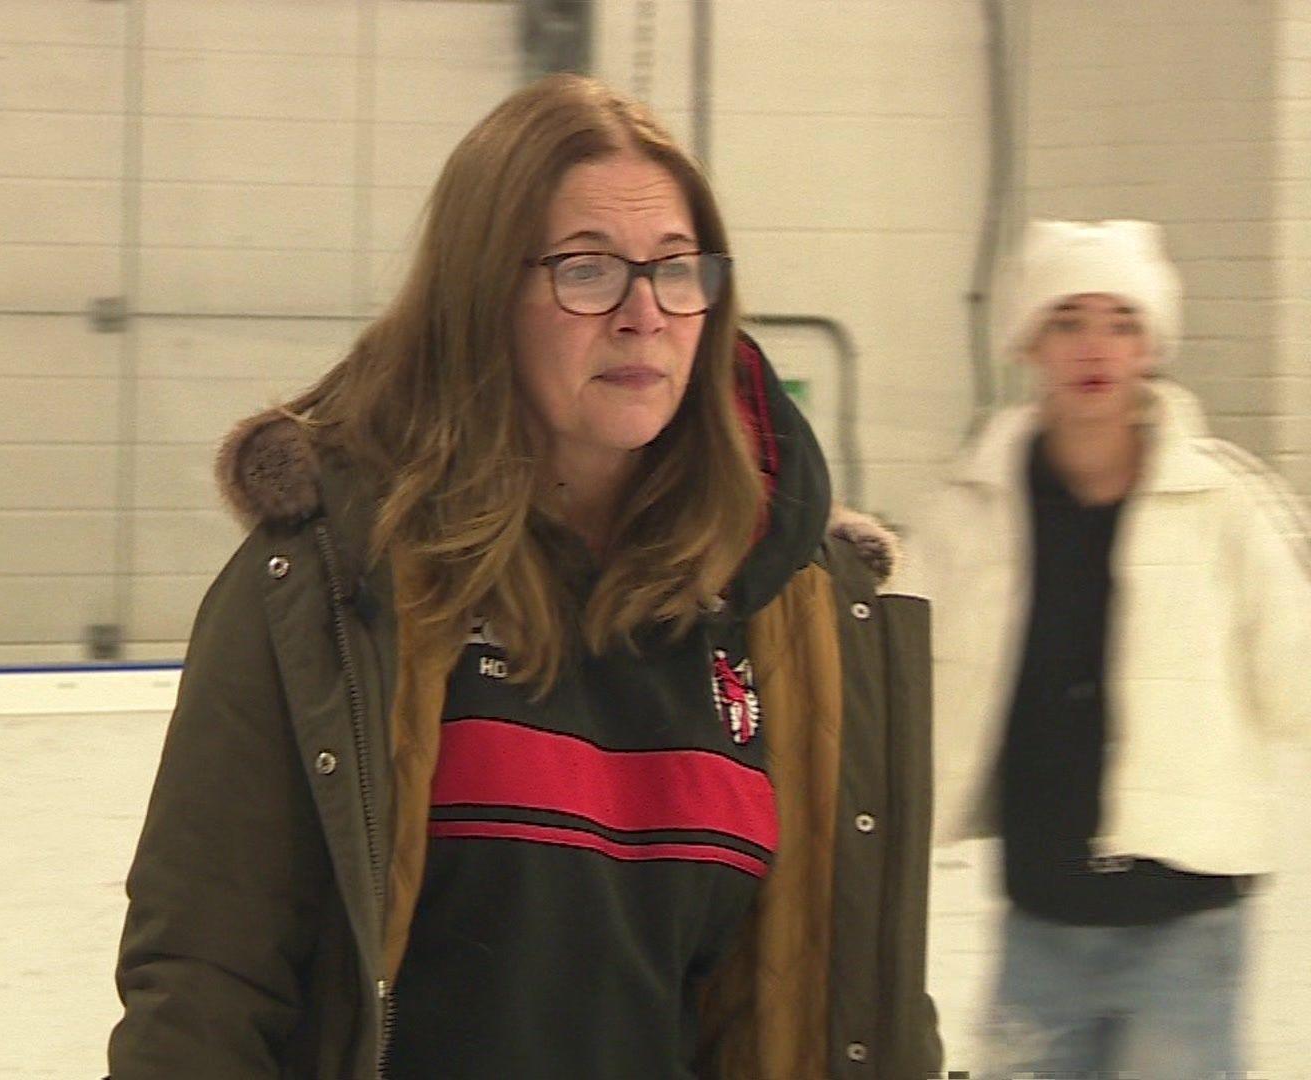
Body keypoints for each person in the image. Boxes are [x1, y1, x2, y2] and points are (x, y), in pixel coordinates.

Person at [109, 73, 939, 1080]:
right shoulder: (329, 586)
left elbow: (856, 994)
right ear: (482, 296)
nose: (645, 314)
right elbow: (204, 986)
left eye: (678, 270)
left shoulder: (791, 610)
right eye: (588, 271)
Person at [914, 219, 1311, 1078]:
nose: (1095, 346)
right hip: (1040, 918)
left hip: (1188, 925)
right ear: (1028, 340)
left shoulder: (1225, 506)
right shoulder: (970, 511)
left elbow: (1296, 681)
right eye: (1068, 320)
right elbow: (900, 678)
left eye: (1122, 323)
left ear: (1151, 346)